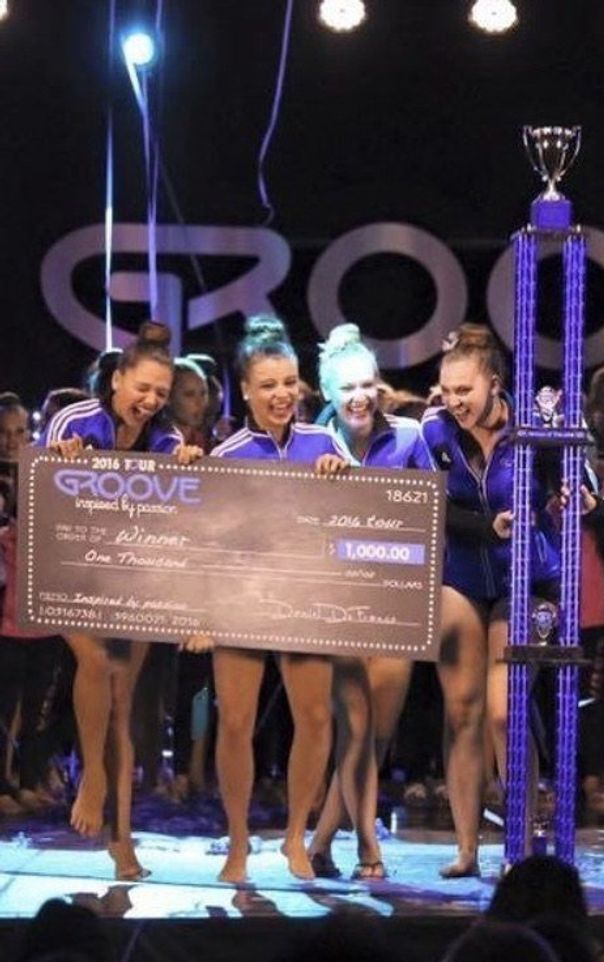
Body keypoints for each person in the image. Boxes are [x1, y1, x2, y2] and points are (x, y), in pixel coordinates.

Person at [40, 321, 203, 880]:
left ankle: (124, 842)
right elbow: (44, 495)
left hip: (133, 578)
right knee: (96, 663)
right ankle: (92, 776)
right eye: (143, 388)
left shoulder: (166, 438)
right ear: (116, 380)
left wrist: (188, 468)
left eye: (161, 392)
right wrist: (61, 459)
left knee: (122, 705)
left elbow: (179, 505)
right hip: (69, 573)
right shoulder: (74, 421)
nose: (151, 400)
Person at [421, 323, 573, 878]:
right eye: (447, 390)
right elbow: (431, 506)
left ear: (494, 383)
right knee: (462, 711)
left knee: (506, 711)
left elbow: (578, 481)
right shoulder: (434, 431)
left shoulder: (534, 426)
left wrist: (574, 495)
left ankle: (519, 843)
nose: (454, 401)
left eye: (465, 390)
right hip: (463, 576)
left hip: (528, 580)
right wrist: (488, 528)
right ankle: (466, 850)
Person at [208, 315, 348, 883]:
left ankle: (295, 837)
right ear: (245, 389)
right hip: (241, 601)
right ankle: (238, 842)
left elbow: (362, 521)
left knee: (314, 718)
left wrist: (343, 478)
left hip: (307, 600)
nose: (282, 394)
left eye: (289, 382)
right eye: (268, 385)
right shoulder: (227, 454)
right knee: (236, 721)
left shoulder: (326, 442)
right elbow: (205, 546)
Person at [306, 323, 436, 880]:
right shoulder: (310, 442)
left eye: (367, 385)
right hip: (333, 605)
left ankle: (320, 843)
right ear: (327, 393)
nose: (359, 397)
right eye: (347, 389)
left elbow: (432, 514)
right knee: (354, 730)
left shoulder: (410, 437)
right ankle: (368, 846)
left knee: (374, 737)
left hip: (395, 601)